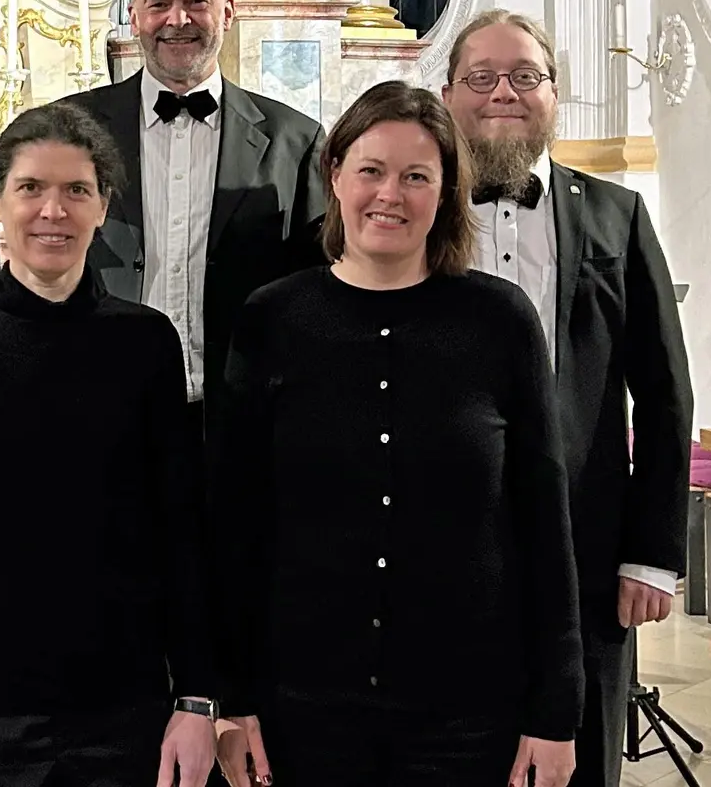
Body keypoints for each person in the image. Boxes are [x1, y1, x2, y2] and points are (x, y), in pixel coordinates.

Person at [212, 81, 584, 787]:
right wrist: (235, 702)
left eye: (417, 176)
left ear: (445, 193)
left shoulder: (499, 321)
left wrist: (555, 712)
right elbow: (237, 525)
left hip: (469, 711)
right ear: (335, 177)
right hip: (305, 709)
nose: (391, 194)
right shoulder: (272, 320)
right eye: (371, 171)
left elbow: (544, 522)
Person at [0, 102, 218, 787]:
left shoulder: (146, 341)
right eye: (31, 188)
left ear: (103, 207)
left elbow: (181, 529)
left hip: (123, 700)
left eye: (77, 191)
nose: (52, 211)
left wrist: (195, 695)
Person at [442, 9, 695, 787]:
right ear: (447, 94)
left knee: (577, 754)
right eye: (481, 77)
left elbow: (663, 389)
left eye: (526, 76)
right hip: (442, 537)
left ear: (557, 92)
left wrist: (652, 553)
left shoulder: (616, 215)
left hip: (584, 535)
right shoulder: (410, 210)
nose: (503, 94)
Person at [66, 0, 326, 446]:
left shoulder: (296, 142)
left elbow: (314, 293)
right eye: (158, 3)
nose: (177, 19)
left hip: (242, 426)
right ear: (135, 15)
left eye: (196, 1)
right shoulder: (71, 130)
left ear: (227, 12)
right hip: (100, 416)